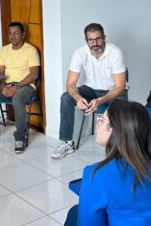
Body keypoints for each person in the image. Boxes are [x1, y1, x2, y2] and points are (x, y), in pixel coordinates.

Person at [51, 23, 127, 159]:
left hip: (113, 91)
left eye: (98, 39)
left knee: (121, 110)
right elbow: (70, 84)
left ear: (104, 37)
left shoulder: (115, 52)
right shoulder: (80, 53)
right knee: (66, 97)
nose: (95, 43)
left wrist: (101, 100)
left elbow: (120, 86)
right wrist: (77, 98)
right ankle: (67, 142)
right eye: (91, 40)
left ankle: (121, 147)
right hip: (91, 89)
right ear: (86, 41)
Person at [0, 22, 40, 154]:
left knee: (17, 100)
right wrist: (3, 86)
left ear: (23, 34)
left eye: (16, 33)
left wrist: (16, 86)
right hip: (6, 84)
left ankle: (20, 138)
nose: (13, 36)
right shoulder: (4, 49)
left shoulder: (30, 50)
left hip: (25, 85)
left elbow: (34, 74)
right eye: (10, 33)